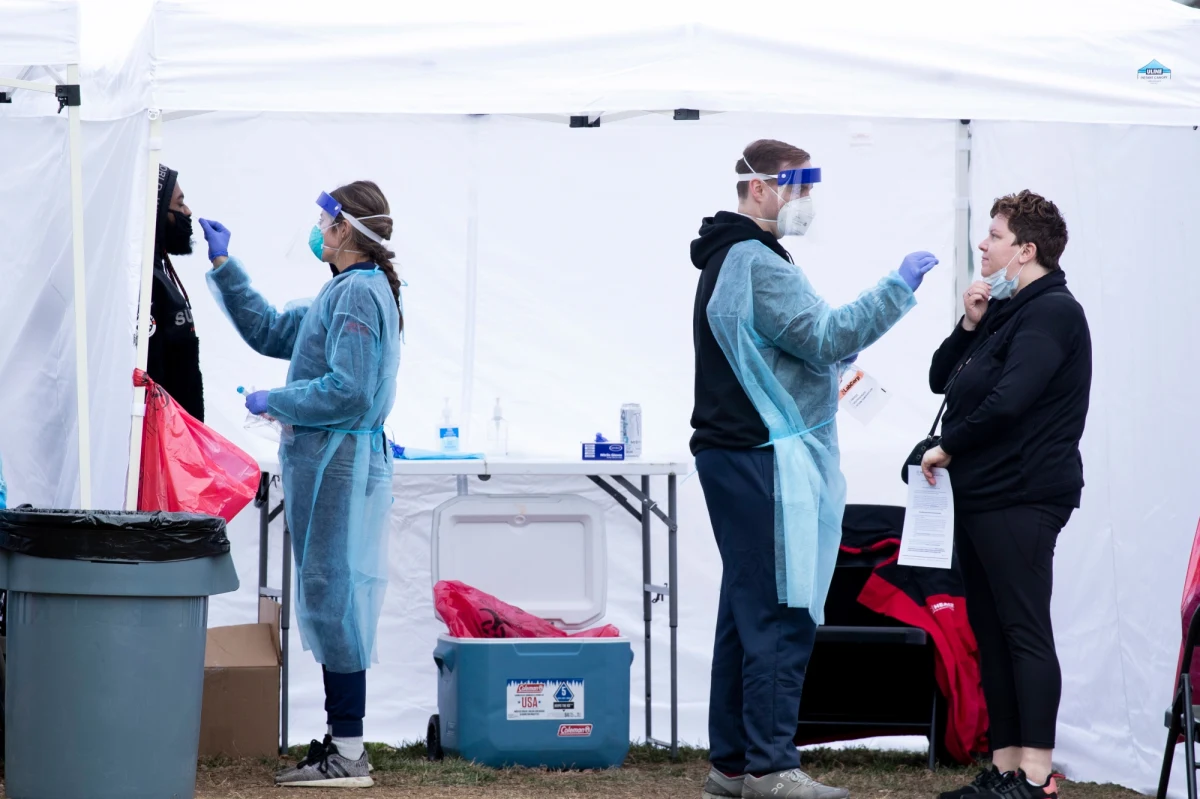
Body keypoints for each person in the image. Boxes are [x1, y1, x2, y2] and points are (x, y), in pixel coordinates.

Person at [691, 138, 940, 799]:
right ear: (759, 189)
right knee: (780, 606)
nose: (804, 201)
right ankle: (772, 766)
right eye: (796, 187)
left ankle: (734, 762)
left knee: (744, 610)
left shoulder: (729, 257)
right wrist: (897, 287)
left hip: (734, 452)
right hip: (762, 454)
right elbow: (828, 335)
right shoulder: (756, 262)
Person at [199, 181, 403, 789]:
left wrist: (276, 400)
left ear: (345, 230)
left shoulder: (361, 295)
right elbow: (268, 330)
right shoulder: (341, 291)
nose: (316, 229)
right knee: (330, 596)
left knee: (334, 599)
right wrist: (223, 265)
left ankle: (348, 751)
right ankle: (345, 742)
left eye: (323, 220)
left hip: (337, 462)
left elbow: (352, 389)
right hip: (327, 462)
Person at [920, 191, 1091, 799]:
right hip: (985, 494)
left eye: (993, 235)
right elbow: (944, 378)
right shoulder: (1007, 310)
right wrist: (970, 322)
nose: (982, 245)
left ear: (1026, 250)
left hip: (1023, 493)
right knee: (991, 633)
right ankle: (1006, 769)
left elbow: (1011, 400)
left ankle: (1038, 775)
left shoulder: (1053, 314)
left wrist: (950, 446)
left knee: (1023, 630)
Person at [146, 165, 205, 420]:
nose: (188, 212)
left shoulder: (159, 270)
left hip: (179, 437)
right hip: (162, 438)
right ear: (157, 211)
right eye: (180, 204)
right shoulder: (143, 279)